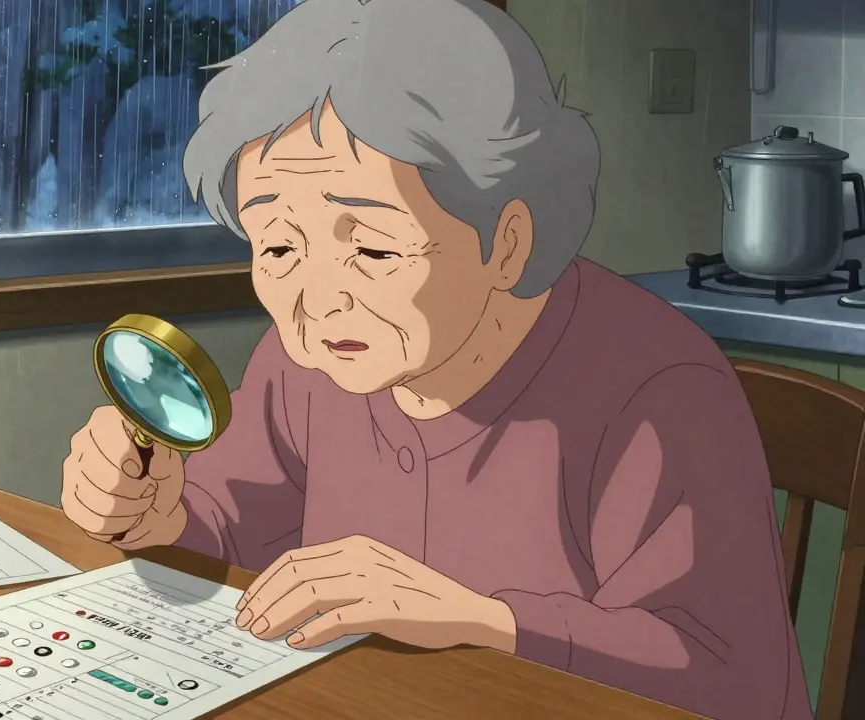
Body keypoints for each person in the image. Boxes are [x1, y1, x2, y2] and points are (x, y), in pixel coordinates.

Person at [59, 0, 812, 717]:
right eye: (280, 246)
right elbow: (232, 524)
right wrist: (159, 515)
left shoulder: (659, 388)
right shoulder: (312, 364)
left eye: (376, 248)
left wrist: (484, 621)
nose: (318, 300)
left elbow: (727, 678)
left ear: (507, 241)